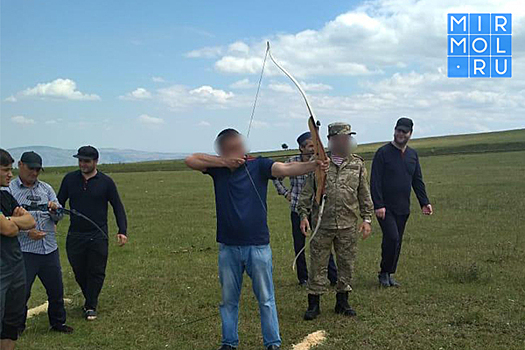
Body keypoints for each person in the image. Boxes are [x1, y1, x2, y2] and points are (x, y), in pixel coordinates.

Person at [185, 128, 329, 350]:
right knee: (228, 301)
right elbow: (190, 159)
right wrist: (225, 163)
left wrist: (313, 165)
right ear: (223, 151)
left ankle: (272, 344)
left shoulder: (259, 165)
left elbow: (286, 168)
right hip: (228, 247)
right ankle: (229, 343)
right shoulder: (218, 170)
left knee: (266, 299)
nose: (238, 151)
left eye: (239, 146)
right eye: (232, 149)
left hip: (258, 246)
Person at [297, 122, 373, 320]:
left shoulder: (357, 164)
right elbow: (306, 192)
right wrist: (303, 216)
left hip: (347, 225)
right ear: (331, 141)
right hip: (322, 225)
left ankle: (342, 302)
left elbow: (364, 194)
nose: (345, 142)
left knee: (346, 264)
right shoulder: (320, 164)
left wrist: (367, 219)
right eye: (340, 138)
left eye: (347, 138)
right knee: (318, 265)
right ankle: (314, 304)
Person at [57, 146, 128, 321]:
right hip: (75, 235)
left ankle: (91, 305)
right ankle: (89, 298)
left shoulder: (106, 182)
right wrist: (53, 219)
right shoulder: (69, 179)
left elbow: (117, 207)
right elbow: (59, 203)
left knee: (96, 271)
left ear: (95, 161)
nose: (82, 164)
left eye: (86, 161)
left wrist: (122, 230)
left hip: (98, 234)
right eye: (80, 160)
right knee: (79, 271)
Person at [8, 152, 73, 333]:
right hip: (25, 251)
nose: (35, 173)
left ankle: (58, 323)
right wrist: (27, 233)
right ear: (20, 165)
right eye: (31, 168)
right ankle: (17, 327)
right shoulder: (10, 190)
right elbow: (7, 222)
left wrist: (55, 211)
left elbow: (59, 215)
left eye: (38, 169)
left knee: (56, 290)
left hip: (49, 249)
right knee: (21, 293)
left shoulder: (46, 189)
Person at [370, 117, 433, 288]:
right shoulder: (383, 153)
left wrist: (424, 202)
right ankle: (383, 272)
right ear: (394, 131)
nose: (400, 134)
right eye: (398, 130)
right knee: (392, 237)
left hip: (403, 207)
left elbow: (417, 180)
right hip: (385, 208)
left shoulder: (412, 155)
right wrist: (378, 205)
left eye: (404, 132)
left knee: (397, 241)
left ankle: (390, 273)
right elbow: (374, 181)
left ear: (410, 134)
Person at [272, 131, 337, 286]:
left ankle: (333, 277)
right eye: (309, 146)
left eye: (314, 146)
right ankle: (303, 278)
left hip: (316, 210)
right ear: (301, 148)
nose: (312, 149)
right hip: (297, 209)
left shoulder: (320, 161)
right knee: (299, 244)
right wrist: (286, 193)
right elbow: (276, 178)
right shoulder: (292, 161)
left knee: (323, 243)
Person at [0, 149, 36, 350]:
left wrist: (10, 220)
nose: (10, 175)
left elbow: (29, 221)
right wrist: (14, 223)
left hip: (15, 267)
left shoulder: (5, 197)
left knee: (11, 323)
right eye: (5, 170)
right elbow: (8, 230)